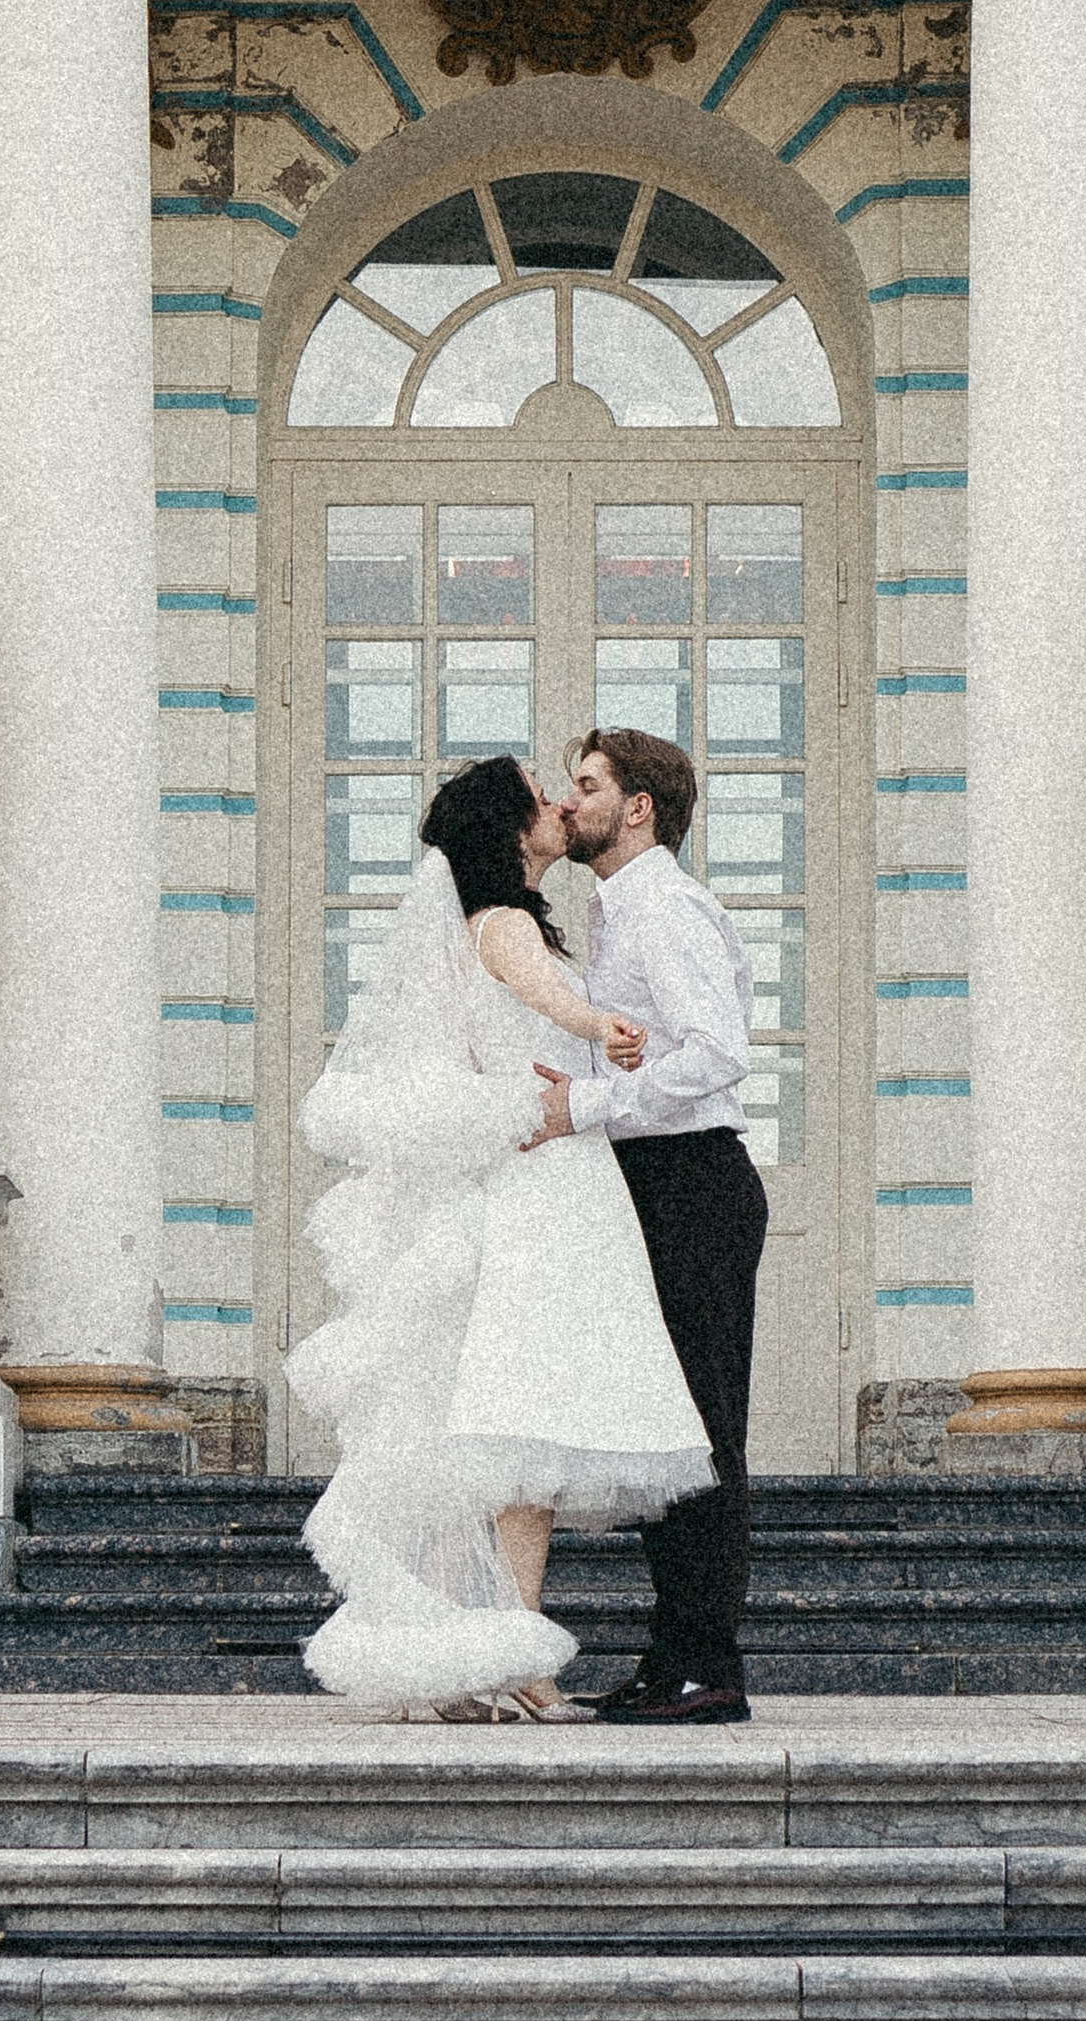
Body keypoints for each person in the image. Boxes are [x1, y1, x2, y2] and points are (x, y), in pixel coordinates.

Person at [288, 755, 712, 1720]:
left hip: (542, 1181)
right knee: (525, 1440)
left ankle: (479, 1658)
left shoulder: (488, 923)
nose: (560, 806)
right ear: (515, 830)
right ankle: (514, 1663)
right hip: (546, 1191)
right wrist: (608, 1026)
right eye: (542, 797)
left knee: (512, 1449)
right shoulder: (505, 924)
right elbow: (548, 1000)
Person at [531, 725, 767, 1726]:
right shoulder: (621, 911)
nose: (568, 801)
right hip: (653, 1180)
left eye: (586, 786)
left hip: (692, 1184)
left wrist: (579, 1109)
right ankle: (676, 1655)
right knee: (672, 1432)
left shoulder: (663, 907)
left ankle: (703, 1665)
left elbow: (717, 1055)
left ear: (637, 808)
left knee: (701, 1434)